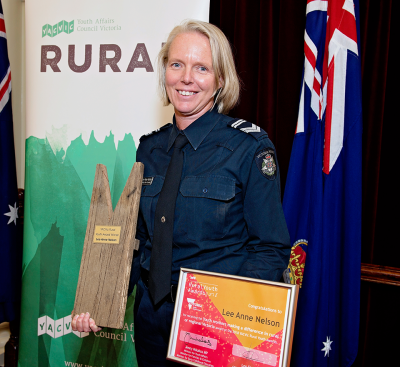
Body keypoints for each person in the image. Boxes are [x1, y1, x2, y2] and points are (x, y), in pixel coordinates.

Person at [72, 20, 290, 366]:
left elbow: (270, 249)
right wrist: (98, 301)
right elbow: (136, 241)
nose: (186, 78)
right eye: (177, 64)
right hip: (149, 320)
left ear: (220, 80)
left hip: (213, 329)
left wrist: (230, 322)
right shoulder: (150, 149)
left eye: (201, 68)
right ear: (165, 72)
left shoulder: (249, 149)